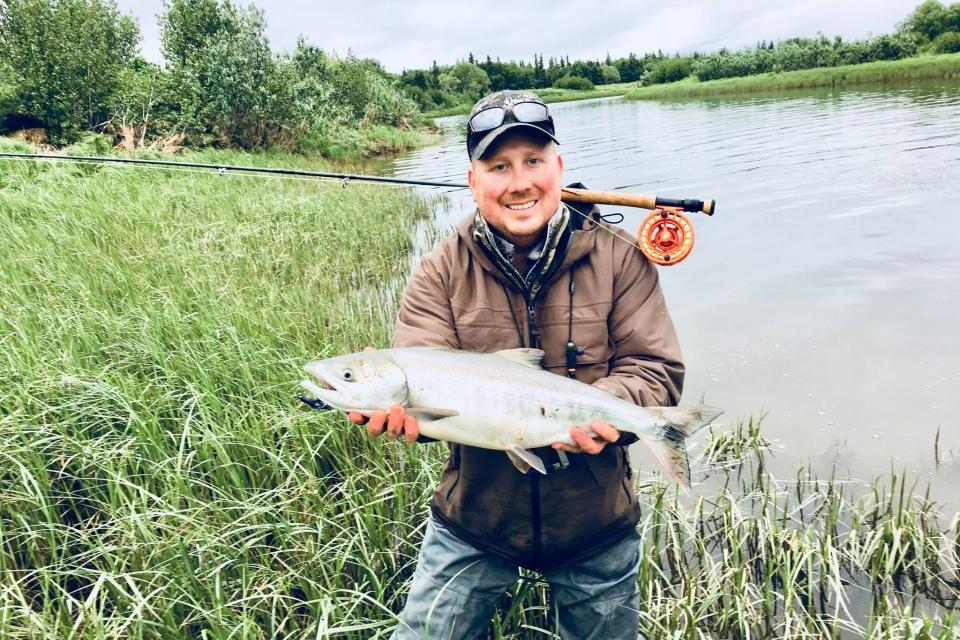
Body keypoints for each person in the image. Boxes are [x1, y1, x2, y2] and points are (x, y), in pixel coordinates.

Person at [349, 90, 684, 639]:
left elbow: (655, 370)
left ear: (559, 166)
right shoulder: (438, 272)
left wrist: (613, 417)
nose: (519, 182)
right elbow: (425, 377)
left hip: (596, 523)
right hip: (475, 522)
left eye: (533, 161)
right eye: (498, 166)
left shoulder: (622, 257)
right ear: (472, 179)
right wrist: (399, 413)